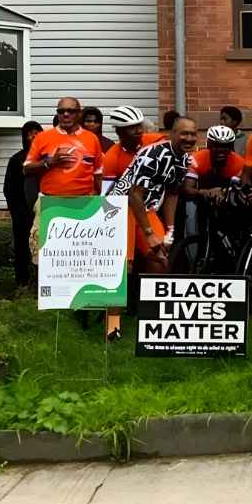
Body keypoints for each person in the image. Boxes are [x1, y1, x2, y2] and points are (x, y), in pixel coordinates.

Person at [106, 116, 200, 341]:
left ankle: (152, 320)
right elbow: (134, 195)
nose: (188, 138)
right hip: (120, 207)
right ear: (172, 134)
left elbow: (173, 193)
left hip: (146, 209)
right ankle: (112, 326)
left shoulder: (184, 160)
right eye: (183, 133)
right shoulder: (154, 154)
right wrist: (149, 234)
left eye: (192, 134)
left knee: (160, 259)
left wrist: (169, 229)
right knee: (123, 265)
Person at [24, 96, 104, 265]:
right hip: (51, 203)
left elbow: (98, 173)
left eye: (71, 111)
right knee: (45, 254)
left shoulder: (92, 139)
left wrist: (101, 202)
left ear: (79, 114)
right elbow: (26, 168)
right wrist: (49, 162)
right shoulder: (43, 137)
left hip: (84, 203)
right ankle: (46, 290)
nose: (65, 114)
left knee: (80, 254)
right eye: (61, 111)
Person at [2, 120, 44, 289]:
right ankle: (22, 282)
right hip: (22, 213)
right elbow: (8, 189)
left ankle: (42, 283)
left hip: (44, 210)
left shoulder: (47, 160)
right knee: (22, 247)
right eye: (29, 133)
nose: (33, 136)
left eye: (37, 132)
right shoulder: (16, 160)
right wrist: (17, 211)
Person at [99, 105, 166, 187]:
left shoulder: (156, 141)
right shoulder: (111, 158)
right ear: (119, 132)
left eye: (140, 125)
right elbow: (108, 196)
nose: (139, 131)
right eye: (132, 128)